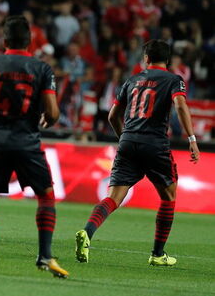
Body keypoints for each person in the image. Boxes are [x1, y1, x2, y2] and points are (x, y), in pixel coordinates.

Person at [75, 39, 200, 267]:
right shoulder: (174, 80)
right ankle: (157, 253)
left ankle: (87, 231)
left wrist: (125, 137)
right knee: (169, 196)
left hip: (128, 141)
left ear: (146, 59)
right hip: (155, 144)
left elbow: (113, 115)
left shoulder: (132, 80)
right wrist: (192, 138)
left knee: (113, 198)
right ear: (168, 60)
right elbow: (181, 106)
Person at [0, 16, 68, 278]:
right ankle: (45, 255)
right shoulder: (41, 69)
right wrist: (49, 117)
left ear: (4, 41)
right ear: (30, 41)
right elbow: (53, 112)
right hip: (27, 143)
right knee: (46, 195)